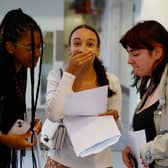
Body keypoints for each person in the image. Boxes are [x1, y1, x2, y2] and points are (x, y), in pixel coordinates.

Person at [44, 24, 122, 168]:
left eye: (90, 44)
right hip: (61, 160)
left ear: (98, 50)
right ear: (69, 49)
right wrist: (70, 73)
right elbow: (53, 115)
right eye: (77, 43)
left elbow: (118, 131)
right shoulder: (56, 76)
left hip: (100, 163)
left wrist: (114, 118)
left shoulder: (111, 81)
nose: (83, 49)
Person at [120, 20, 168, 168]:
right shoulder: (153, 83)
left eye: (135, 54)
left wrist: (147, 151)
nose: (129, 61)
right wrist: (133, 150)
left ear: (157, 52)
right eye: (129, 54)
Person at [0, 9, 43, 168]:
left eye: (39, 47)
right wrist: (5, 139)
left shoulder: (20, 71)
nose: (37, 53)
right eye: (31, 48)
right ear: (10, 47)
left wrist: (29, 126)